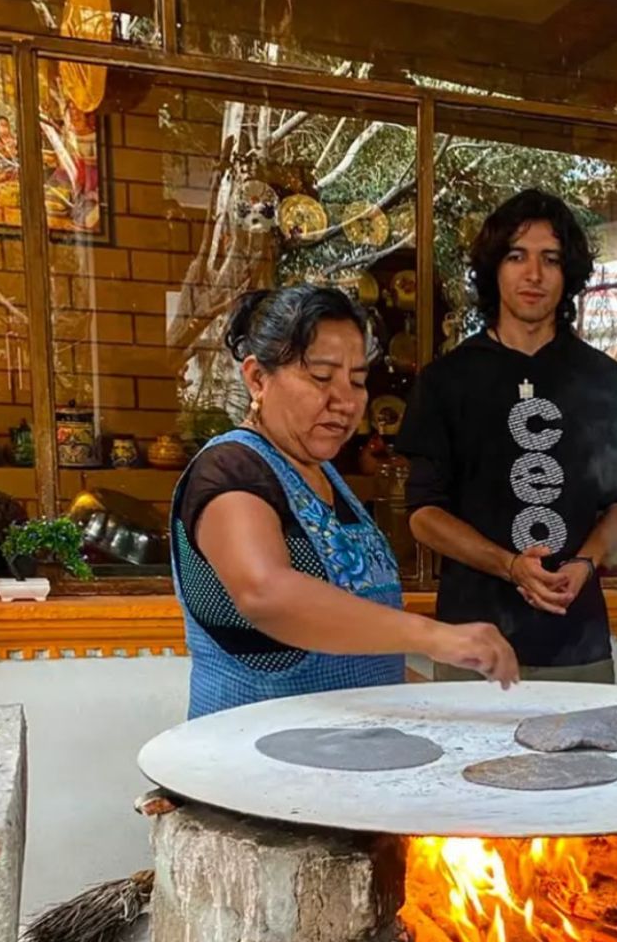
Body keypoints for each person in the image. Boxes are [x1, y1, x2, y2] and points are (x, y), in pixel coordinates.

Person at [171, 284, 517, 719]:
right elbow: (266, 593)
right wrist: (432, 636)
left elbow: (358, 657)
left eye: (357, 380)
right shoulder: (230, 469)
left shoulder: (324, 473)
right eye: (321, 377)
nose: (346, 401)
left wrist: (441, 701)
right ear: (257, 378)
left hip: (345, 746)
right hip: (253, 748)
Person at [398, 189, 617, 683]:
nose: (533, 274)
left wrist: (585, 562)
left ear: (568, 274)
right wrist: (510, 565)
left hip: (578, 644)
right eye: (516, 256)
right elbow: (423, 515)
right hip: (471, 642)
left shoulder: (606, 380)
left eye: (550, 259)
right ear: (494, 268)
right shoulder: (446, 381)